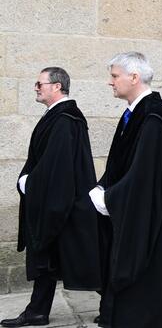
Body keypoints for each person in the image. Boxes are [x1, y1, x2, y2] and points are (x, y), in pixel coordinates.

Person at [92, 52, 162, 328]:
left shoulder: (155, 117)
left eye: (115, 76)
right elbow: (121, 161)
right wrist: (102, 185)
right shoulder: (135, 113)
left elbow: (145, 176)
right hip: (135, 207)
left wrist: (109, 197)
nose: (111, 82)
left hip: (151, 215)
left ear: (134, 77)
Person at [3, 68, 102, 328]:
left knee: (83, 260)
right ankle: (37, 311)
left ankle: (117, 305)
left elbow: (55, 166)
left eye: (40, 83)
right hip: (58, 200)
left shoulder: (65, 119)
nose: (36, 87)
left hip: (65, 203)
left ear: (56, 86)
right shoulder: (58, 116)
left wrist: (28, 182)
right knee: (48, 257)